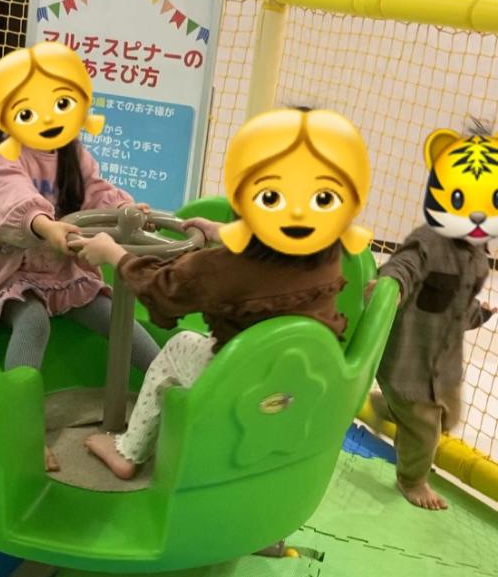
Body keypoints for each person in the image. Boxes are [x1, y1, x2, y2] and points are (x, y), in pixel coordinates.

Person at [74, 107, 373, 479]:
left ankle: (127, 451)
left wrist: (112, 253)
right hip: (302, 379)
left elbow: (162, 289)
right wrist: (222, 232)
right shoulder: (329, 250)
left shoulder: (223, 268)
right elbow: (277, 245)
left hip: (237, 382)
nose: (295, 211)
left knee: (179, 345)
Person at [0, 42, 160, 471]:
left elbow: (97, 191)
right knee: (33, 321)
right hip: (13, 270)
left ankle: (176, 392)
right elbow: (13, 198)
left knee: (117, 315)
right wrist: (47, 227)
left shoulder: (73, 153)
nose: (47, 120)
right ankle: (19, 429)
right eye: (28, 112)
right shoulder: (6, 156)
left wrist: (126, 211)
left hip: (62, 271)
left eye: (61, 105)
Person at [370, 126, 498, 510]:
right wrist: (390, 287)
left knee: (449, 417)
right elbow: (403, 266)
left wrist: (478, 314)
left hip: (444, 366)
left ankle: (385, 408)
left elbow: (456, 304)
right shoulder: (428, 241)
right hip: (410, 361)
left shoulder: (478, 258)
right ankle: (412, 480)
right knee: (426, 431)